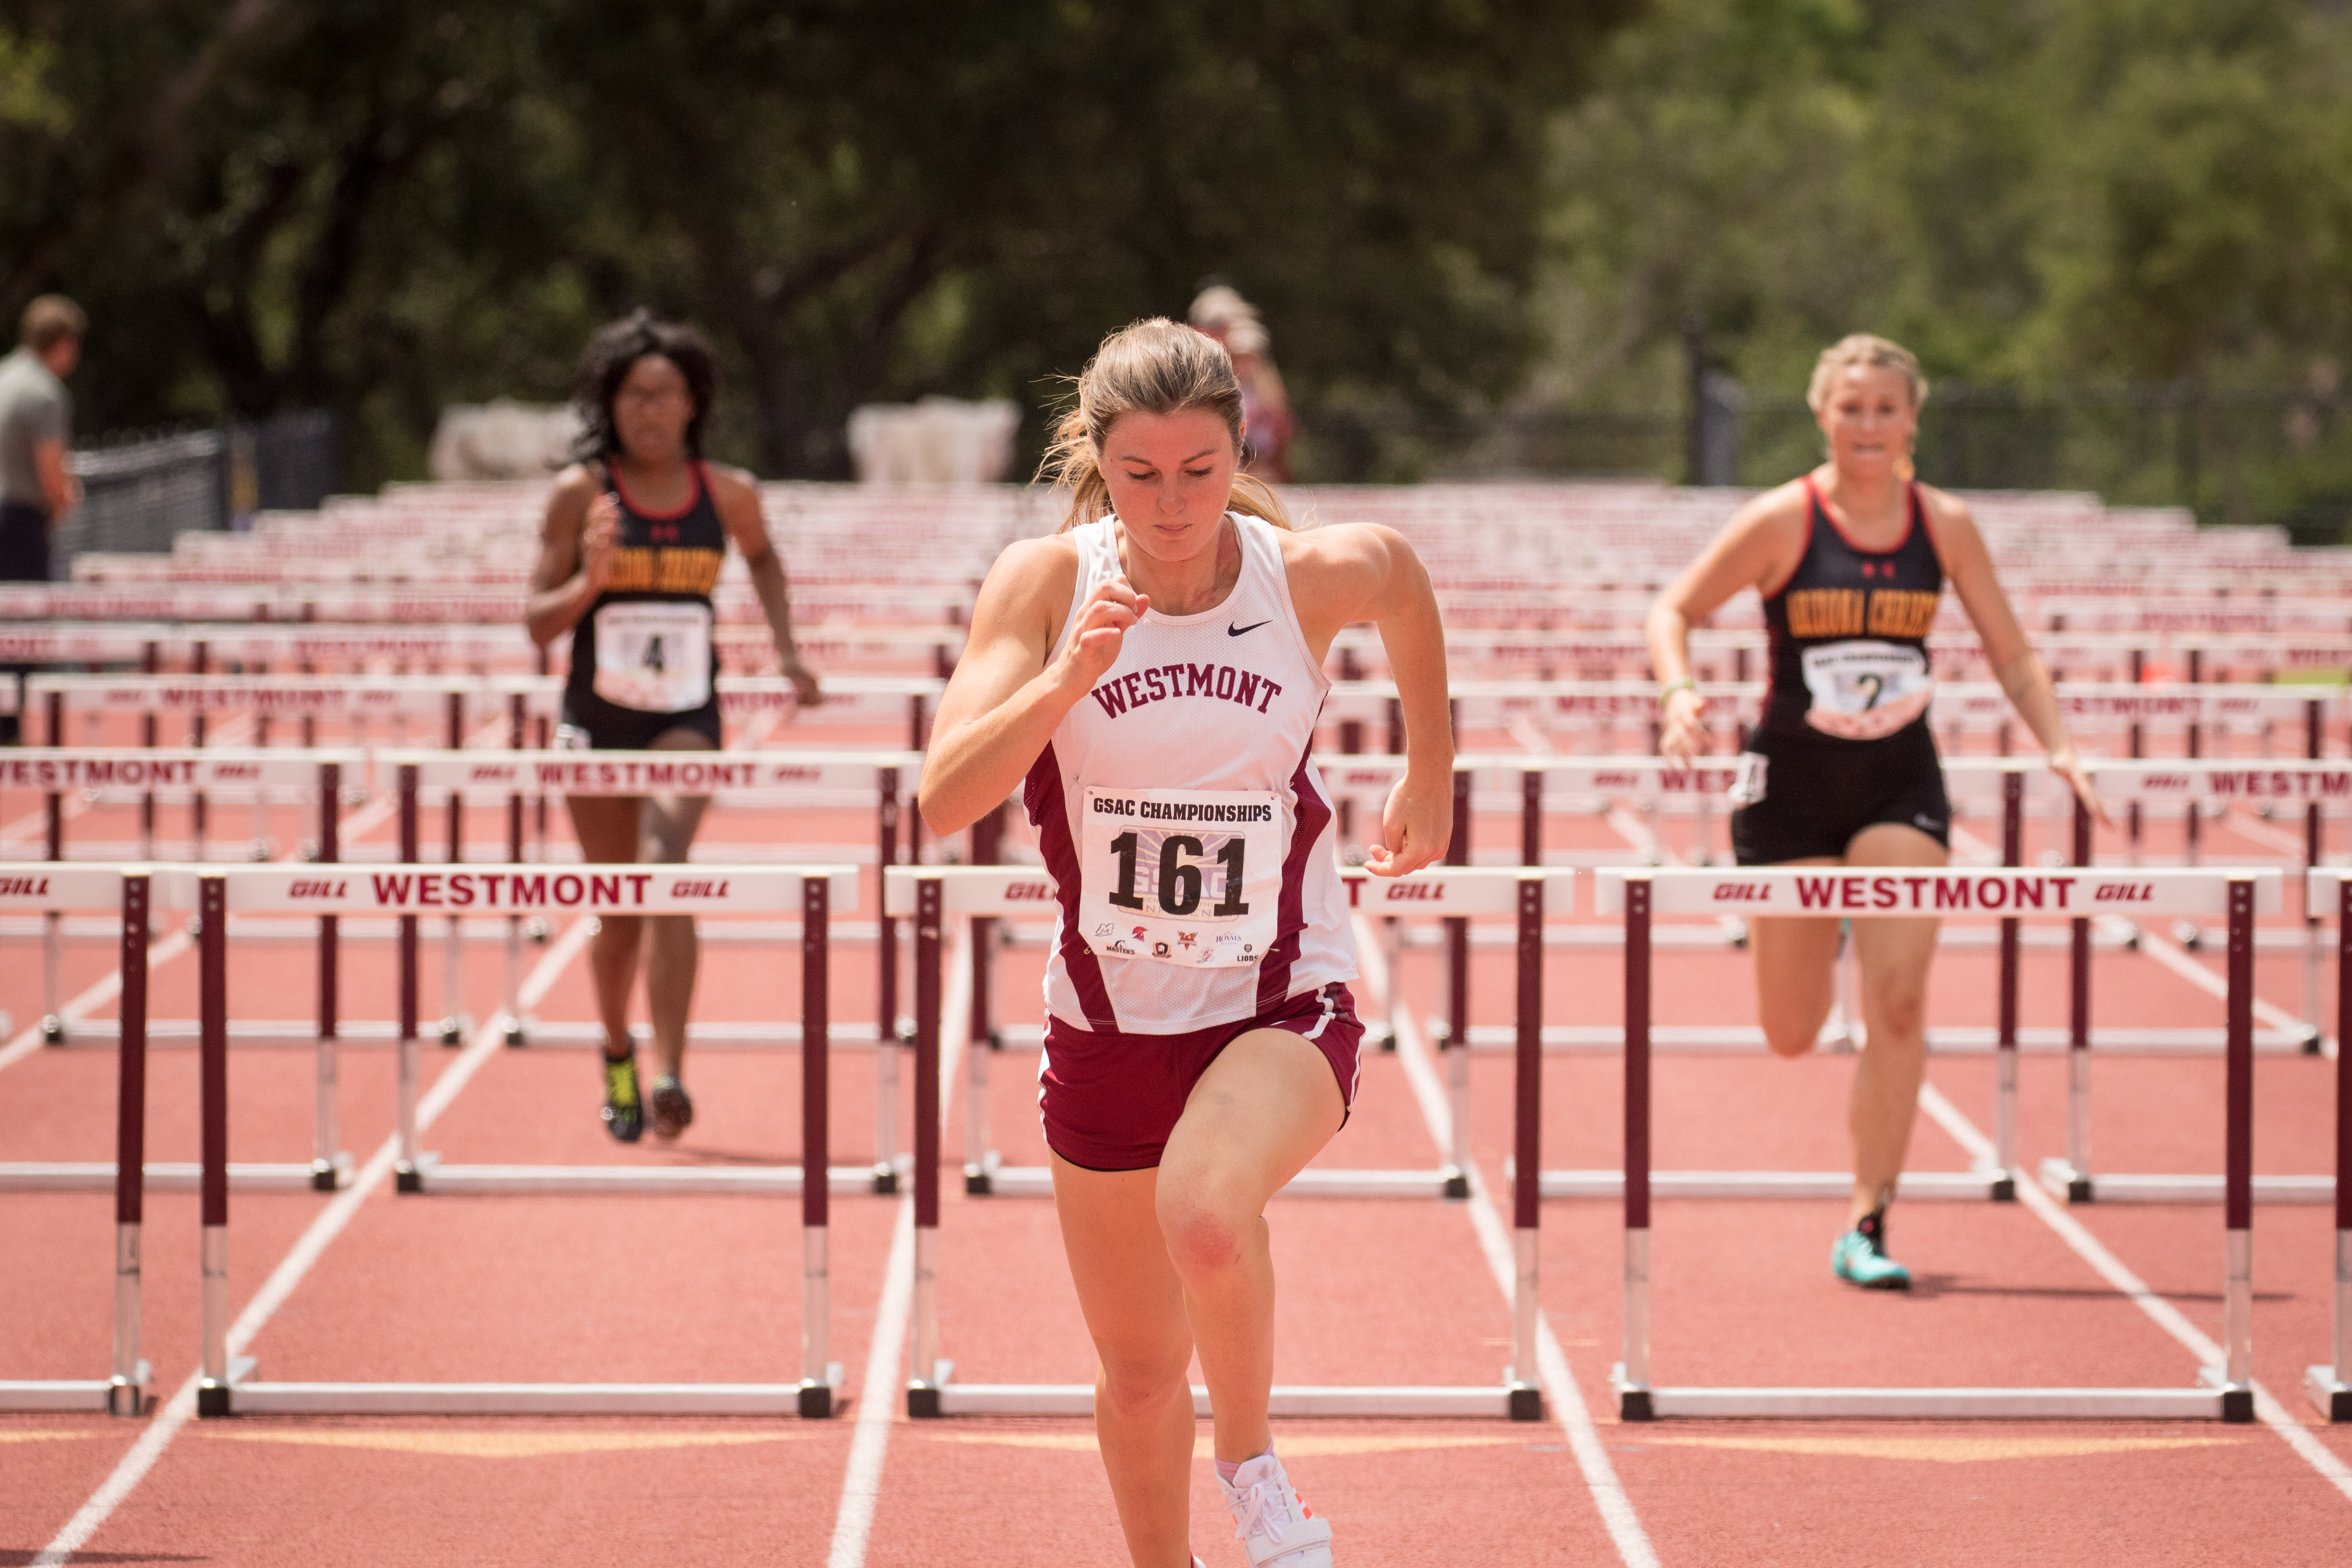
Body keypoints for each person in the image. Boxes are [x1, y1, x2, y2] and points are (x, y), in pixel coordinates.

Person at [920, 318, 1449, 1568]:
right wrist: (1060, 682)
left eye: (1202, 472)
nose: (1173, 506)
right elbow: (943, 796)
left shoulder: (1298, 575)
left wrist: (1433, 765)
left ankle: (1259, 1479)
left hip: (1279, 1001)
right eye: (1143, 475)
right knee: (1143, 1376)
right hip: (1107, 1025)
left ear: (1242, 447)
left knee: (1207, 1215)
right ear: (1101, 463)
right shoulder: (1043, 584)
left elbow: (1400, 576)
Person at [1647, 333, 2105, 1290]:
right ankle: (1814, 952)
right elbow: (1675, 610)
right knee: (1792, 1030)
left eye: (1885, 409)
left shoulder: (1943, 526)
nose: (1867, 425)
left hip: (1901, 786)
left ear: (1912, 419)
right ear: (1822, 413)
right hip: (1788, 797)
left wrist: (2057, 740)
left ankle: (1868, 1220)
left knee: (1898, 1003)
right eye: (1851, 407)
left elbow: (2013, 653)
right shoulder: (1784, 521)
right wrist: (1682, 690)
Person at [527, 311, 822, 1142]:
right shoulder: (580, 495)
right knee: (618, 910)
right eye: (633, 395)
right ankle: (618, 1046)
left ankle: (670, 1071)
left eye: (665, 394)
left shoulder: (726, 492)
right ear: (609, 405)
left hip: (687, 714)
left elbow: (762, 555)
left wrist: (788, 650)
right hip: (595, 718)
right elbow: (536, 624)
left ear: (694, 403)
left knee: (665, 865)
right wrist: (590, 580)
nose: (649, 411)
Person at [0, 295, 85, 744]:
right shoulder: (44, 393)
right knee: (22, 626)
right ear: (64, 343)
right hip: (18, 518)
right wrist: (63, 501)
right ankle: (7, 725)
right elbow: (52, 470)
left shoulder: (5, 378)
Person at [1189, 287, 1295, 484]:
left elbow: (1279, 419)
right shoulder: (1193, 368)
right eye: (1227, 324)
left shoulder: (1246, 370)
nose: (1234, 329)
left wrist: (1259, 361)